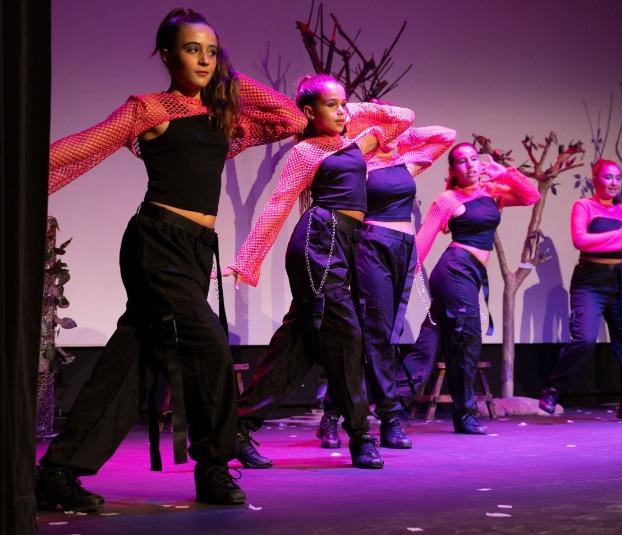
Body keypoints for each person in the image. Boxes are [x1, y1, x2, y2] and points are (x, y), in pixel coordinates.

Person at [36, 8, 306, 511]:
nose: (203, 60)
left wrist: (228, 74)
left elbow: (290, 118)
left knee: (132, 359)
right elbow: (81, 146)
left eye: (211, 50)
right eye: (191, 49)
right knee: (208, 348)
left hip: (196, 250)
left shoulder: (224, 115)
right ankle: (213, 468)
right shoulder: (149, 110)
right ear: (166, 54)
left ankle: (57, 471)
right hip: (156, 244)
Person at [223, 75, 415, 468]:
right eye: (332, 105)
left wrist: (349, 108)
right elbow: (279, 203)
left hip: (344, 242)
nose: (343, 110)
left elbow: (403, 117)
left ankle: (237, 428)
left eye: (344, 103)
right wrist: (248, 259)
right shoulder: (307, 152)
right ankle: (361, 436)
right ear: (309, 113)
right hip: (319, 242)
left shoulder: (354, 143)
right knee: (348, 336)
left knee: (301, 342)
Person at [314, 116, 457, 450]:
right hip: (371, 245)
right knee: (375, 332)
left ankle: (332, 413)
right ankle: (389, 417)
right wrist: (370, 133)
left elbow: (445, 134)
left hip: (402, 249)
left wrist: (401, 132)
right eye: (384, 125)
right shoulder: (358, 161)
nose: (392, 131)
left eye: (394, 125)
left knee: (382, 335)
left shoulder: (405, 164)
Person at [399, 143, 540, 434]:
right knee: (466, 342)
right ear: (452, 170)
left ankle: (392, 403)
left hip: (467, 275)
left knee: (429, 341)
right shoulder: (448, 200)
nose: (471, 166)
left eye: (474, 159)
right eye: (462, 162)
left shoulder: (493, 192)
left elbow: (531, 195)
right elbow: (422, 243)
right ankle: (464, 415)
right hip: (454, 272)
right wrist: (402, 278)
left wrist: (505, 172)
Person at [539, 159, 622, 422]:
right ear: (595, 180)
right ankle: (554, 389)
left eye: (617, 178)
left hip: (619, 282)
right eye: (608, 177)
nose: (613, 183)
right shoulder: (584, 206)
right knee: (584, 340)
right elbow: (580, 240)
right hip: (589, 281)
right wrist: (620, 234)